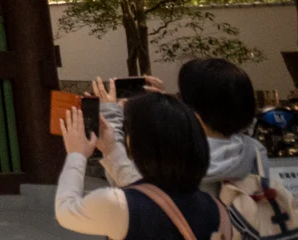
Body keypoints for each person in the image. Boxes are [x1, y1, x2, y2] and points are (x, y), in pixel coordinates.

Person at [56, 93, 229, 240]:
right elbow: (153, 196)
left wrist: (76, 154)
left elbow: (66, 211)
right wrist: (111, 149)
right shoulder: (217, 208)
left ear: (140, 144)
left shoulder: (117, 205)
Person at [97, 58, 266, 194]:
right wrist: (163, 108)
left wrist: (112, 115)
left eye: (181, 97)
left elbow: (136, 190)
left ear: (196, 109)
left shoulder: (179, 158)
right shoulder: (254, 151)